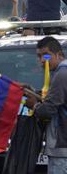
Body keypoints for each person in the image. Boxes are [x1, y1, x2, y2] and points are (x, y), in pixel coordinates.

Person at [24, 37, 67, 173]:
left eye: (46, 55)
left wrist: (34, 105)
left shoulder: (61, 75)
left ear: (59, 55)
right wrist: (32, 92)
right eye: (39, 56)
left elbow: (47, 110)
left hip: (62, 147)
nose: (42, 60)